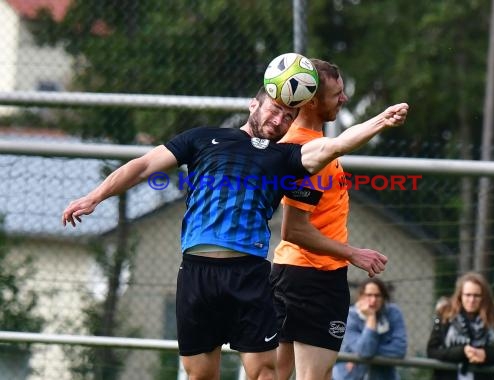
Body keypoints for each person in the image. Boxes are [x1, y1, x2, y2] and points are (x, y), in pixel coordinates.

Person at [62, 82, 409, 379]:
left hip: (249, 275)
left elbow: (334, 145)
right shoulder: (202, 139)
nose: (279, 120)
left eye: (288, 116)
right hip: (197, 273)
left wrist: (381, 120)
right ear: (253, 104)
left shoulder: (285, 157)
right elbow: (143, 167)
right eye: (274, 110)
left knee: (266, 372)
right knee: (200, 374)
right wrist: (95, 197)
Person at [270, 59, 395, 380]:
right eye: (337, 93)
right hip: (314, 278)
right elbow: (293, 229)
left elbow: (342, 143)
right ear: (311, 100)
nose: (344, 99)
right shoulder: (305, 152)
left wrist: (380, 120)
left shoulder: (310, 143)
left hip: (290, 273)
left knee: (275, 376)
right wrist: (354, 253)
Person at [426, 272, 494, 380]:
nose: (471, 300)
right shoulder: (442, 314)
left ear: (484, 297)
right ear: (460, 295)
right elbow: (431, 351)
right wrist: (461, 352)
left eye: (477, 296)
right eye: (468, 295)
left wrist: (485, 355)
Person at [332, 278, 407, 380]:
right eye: (369, 295)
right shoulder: (350, 315)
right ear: (361, 297)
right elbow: (365, 351)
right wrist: (371, 318)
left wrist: (358, 354)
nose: (373, 300)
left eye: (377, 295)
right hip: (350, 376)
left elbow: (399, 349)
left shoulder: (393, 313)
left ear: (384, 298)